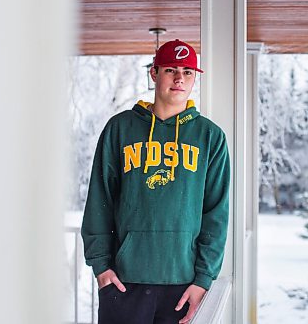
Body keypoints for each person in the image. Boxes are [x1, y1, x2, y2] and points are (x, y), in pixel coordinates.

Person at [81, 39, 230, 324]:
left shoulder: (210, 137)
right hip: (124, 281)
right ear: (154, 73)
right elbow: (100, 200)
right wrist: (101, 266)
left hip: (182, 285)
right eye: (171, 70)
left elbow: (216, 214)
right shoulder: (120, 128)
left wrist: (203, 278)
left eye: (188, 72)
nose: (179, 79)